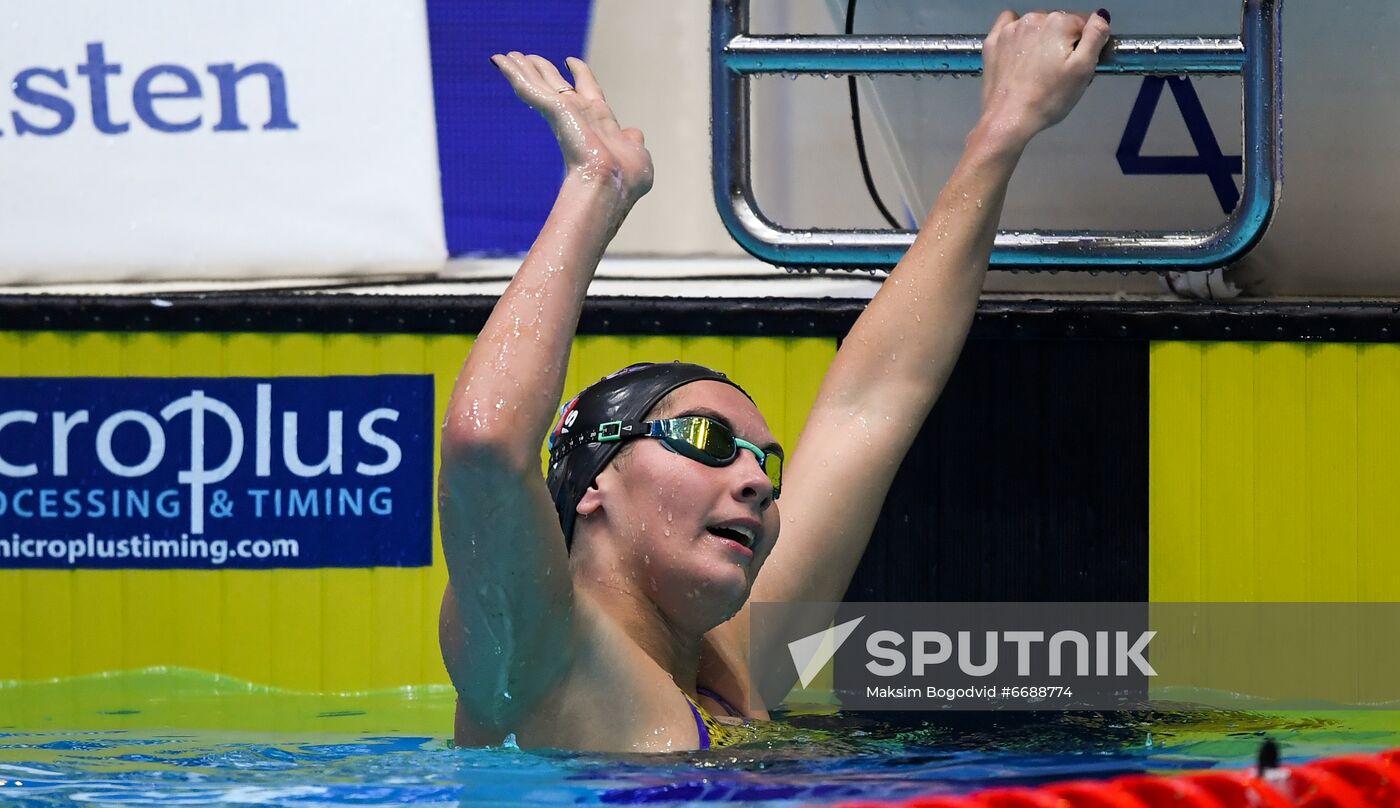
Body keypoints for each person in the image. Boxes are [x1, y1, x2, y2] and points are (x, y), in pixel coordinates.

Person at [438, 9, 1112, 752]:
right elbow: (484, 444)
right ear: (593, 481)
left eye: (766, 462)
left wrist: (1003, 130)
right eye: (708, 440)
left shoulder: (731, 668)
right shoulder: (535, 656)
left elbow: (877, 399)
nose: (758, 481)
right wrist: (594, 188)